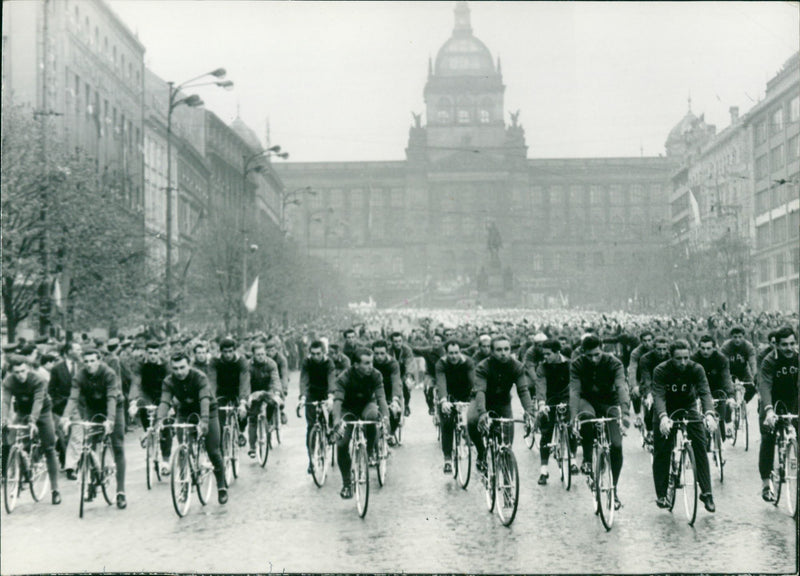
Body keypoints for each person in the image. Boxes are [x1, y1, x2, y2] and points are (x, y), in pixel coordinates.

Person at [652, 339, 717, 513]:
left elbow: (704, 391)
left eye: (686, 358)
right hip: (666, 410)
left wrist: (710, 414)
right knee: (662, 449)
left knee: (700, 445)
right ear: (671, 357)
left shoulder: (696, 369)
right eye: (678, 358)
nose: (683, 362)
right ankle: (662, 493)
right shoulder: (661, 370)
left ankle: (707, 493)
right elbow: (658, 396)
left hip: (687, 407)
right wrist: (663, 417)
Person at [155, 352, 228, 504]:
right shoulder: (168, 381)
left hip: (208, 411)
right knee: (183, 449)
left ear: (189, 365)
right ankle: (184, 485)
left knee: (213, 451)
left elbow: (204, 399)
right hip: (185, 413)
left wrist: (205, 421)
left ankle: (221, 486)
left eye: (182, 367)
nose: (179, 372)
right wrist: (159, 419)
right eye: (175, 368)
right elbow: (165, 401)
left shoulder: (199, 377)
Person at [60, 348, 127, 509]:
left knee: (117, 446)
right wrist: (65, 416)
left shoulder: (108, 373)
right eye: (86, 361)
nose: (89, 365)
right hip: (93, 408)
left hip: (114, 408)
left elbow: (111, 397)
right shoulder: (80, 375)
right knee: (88, 443)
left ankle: (120, 492)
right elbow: (73, 397)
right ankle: (90, 481)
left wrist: (111, 420)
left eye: (93, 361)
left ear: (99, 360)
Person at [569, 334, 630, 510]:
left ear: (602, 349)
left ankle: (614, 489)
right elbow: (574, 391)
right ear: (583, 353)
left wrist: (625, 413)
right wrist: (573, 417)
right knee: (587, 417)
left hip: (609, 402)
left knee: (617, 446)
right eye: (589, 356)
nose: (594, 359)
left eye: (597, 354)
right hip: (586, 401)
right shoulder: (577, 364)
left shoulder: (614, 363)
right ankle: (587, 459)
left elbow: (621, 386)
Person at [468, 335, 536, 474]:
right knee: (471, 421)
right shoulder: (483, 366)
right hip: (482, 401)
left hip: (503, 402)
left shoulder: (517, 366)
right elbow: (480, 391)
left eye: (506, 349)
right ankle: (481, 452)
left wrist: (529, 411)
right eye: (499, 350)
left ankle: (508, 483)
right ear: (492, 351)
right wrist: (482, 414)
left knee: (506, 444)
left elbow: (523, 390)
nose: (503, 353)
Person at [330, 348, 390, 499]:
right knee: (342, 444)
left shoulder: (376, 375)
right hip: (348, 409)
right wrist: (337, 420)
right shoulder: (344, 377)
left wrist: (386, 418)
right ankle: (346, 484)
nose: (371, 366)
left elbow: (381, 398)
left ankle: (369, 453)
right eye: (366, 363)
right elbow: (337, 401)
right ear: (356, 365)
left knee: (373, 416)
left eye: (371, 363)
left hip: (366, 405)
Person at [1, 356, 62, 505]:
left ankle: (55, 490)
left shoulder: (38, 380)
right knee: (12, 440)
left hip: (42, 412)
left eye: (23, 371)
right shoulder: (8, 382)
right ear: (11, 372)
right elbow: (6, 401)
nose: (20, 375)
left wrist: (33, 420)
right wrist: (3, 419)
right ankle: (20, 469)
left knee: (49, 448)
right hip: (22, 412)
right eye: (16, 372)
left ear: (28, 369)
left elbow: (38, 401)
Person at [757, 326, 798, 503]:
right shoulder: (769, 361)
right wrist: (768, 410)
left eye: (792, 344)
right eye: (784, 345)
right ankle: (766, 483)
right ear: (777, 346)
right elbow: (764, 385)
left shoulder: (797, 358)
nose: (789, 348)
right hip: (772, 402)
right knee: (768, 438)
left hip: (793, 401)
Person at [534, 339, 578, 485]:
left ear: (557, 352)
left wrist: (572, 402)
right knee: (546, 431)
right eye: (543, 354)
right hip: (549, 398)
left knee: (570, 427)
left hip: (566, 396)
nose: (544, 357)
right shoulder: (542, 367)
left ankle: (573, 460)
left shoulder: (570, 364)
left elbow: (574, 384)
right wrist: (541, 403)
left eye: (548, 354)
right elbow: (540, 385)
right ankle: (544, 471)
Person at [127, 341, 172, 476]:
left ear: (160, 353)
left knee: (165, 427)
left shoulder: (165, 365)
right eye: (150, 353)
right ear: (146, 353)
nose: (153, 356)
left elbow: (170, 383)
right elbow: (136, 383)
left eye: (156, 353)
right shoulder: (140, 365)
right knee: (148, 424)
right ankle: (149, 437)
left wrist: (170, 404)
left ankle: (165, 461)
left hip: (163, 395)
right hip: (146, 395)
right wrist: (134, 401)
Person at [436, 340, 476, 473]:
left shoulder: (468, 362)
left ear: (460, 352)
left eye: (456, 353)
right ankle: (447, 459)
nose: (453, 356)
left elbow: (473, 381)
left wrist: (475, 397)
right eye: (450, 353)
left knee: (472, 420)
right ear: (446, 353)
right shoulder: (441, 363)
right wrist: (443, 400)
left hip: (465, 396)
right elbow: (441, 382)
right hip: (448, 397)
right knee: (447, 424)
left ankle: (468, 437)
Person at [297, 340, 336, 473]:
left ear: (323, 353)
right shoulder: (307, 362)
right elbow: (304, 379)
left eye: (318, 353)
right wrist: (302, 397)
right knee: (311, 426)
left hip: (326, 392)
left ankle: (331, 430)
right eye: (313, 354)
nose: (315, 357)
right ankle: (311, 460)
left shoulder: (329, 363)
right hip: (312, 393)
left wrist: (331, 396)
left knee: (331, 412)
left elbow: (332, 379)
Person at [691, 335, 736, 441]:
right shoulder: (694, 359)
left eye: (708, 348)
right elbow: (690, 379)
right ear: (699, 348)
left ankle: (720, 444)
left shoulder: (721, 359)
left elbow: (726, 378)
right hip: (700, 390)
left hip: (717, 389)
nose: (705, 351)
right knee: (698, 419)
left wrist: (730, 396)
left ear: (714, 348)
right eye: (702, 348)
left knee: (719, 418)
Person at [49, 341, 82, 475]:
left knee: (76, 436)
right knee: (64, 437)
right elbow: (51, 389)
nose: (80, 352)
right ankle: (66, 461)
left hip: (80, 406)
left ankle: (71, 467)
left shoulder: (83, 366)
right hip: (62, 407)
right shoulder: (57, 368)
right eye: (77, 349)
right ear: (68, 351)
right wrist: (58, 403)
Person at [212, 337, 250, 448]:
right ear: (221, 352)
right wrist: (212, 398)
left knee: (242, 412)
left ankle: (241, 431)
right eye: (225, 352)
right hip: (221, 391)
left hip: (237, 390)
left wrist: (243, 401)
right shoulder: (214, 361)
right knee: (218, 418)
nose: (228, 355)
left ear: (234, 350)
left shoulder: (241, 361)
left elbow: (244, 381)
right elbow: (211, 381)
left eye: (230, 351)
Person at [247, 341, 282, 459]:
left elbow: (275, 379)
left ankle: (269, 421)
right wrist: (249, 396)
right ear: (253, 355)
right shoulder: (248, 366)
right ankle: (252, 446)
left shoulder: (271, 364)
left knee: (273, 403)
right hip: (254, 391)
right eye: (258, 355)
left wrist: (276, 393)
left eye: (263, 354)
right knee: (252, 419)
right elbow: (246, 382)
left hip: (268, 389)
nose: (261, 357)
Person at [638, 336, 671, 446]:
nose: (662, 352)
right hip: (650, 385)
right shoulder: (645, 359)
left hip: (666, 385)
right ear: (653, 349)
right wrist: (648, 394)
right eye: (659, 349)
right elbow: (646, 378)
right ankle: (649, 430)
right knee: (650, 405)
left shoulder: (671, 357)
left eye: (664, 349)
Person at [372, 340, 404, 446]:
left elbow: (396, 381)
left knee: (395, 411)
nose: (379, 356)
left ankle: (391, 433)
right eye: (376, 354)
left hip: (389, 390)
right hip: (374, 390)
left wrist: (395, 399)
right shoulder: (369, 363)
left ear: (387, 353)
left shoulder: (393, 363)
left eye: (382, 353)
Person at [721, 325, 758, 404]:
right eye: (735, 337)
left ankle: (744, 402)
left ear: (744, 336)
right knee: (725, 387)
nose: (737, 340)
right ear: (731, 337)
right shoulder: (725, 347)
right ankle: (730, 403)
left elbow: (752, 362)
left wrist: (755, 375)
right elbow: (724, 364)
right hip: (729, 371)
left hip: (743, 370)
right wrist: (728, 380)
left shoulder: (748, 346)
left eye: (740, 337)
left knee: (753, 386)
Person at [627, 330, 654, 427]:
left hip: (652, 375)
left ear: (653, 340)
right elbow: (632, 369)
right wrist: (634, 386)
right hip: (639, 376)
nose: (647, 343)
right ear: (641, 341)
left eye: (649, 340)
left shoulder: (657, 349)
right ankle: (638, 416)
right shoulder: (636, 352)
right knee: (635, 393)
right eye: (645, 341)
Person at [264, 337, 290, 425]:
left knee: (280, 392)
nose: (270, 353)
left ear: (276, 350)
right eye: (268, 351)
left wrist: (284, 388)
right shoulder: (264, 358)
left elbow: (284, 375)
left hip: (280, 378)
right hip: (268, 379)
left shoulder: (282, 359)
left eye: (272, 350)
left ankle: (281, 411)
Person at [390, 332, 415, 418]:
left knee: (406, 385)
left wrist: (408, 376)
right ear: (392, 342)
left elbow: (409, 363)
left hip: (403, 373)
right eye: (395, 341)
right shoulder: (388, 350)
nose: (398, 343)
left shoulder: (407, 350)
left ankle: (407, 404)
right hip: (391, 373)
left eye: (400, 341)